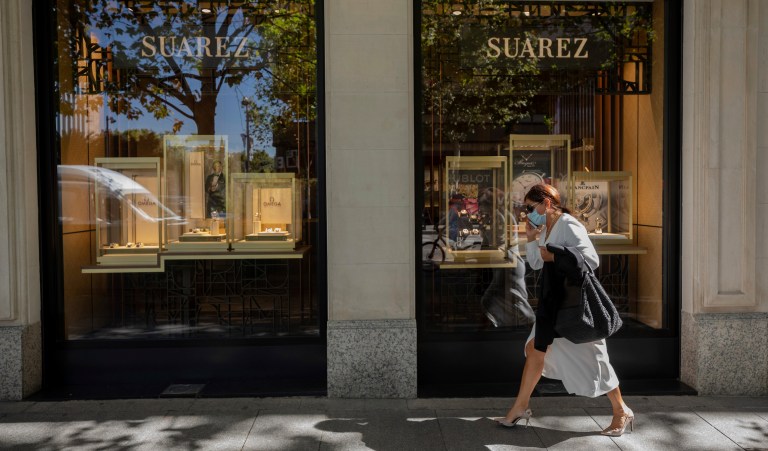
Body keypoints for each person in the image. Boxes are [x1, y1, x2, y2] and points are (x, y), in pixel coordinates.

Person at [496, 184, 633, 437]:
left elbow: (590, 260)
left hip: (574, 306)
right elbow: (537, 264)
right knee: (534, 349)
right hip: (554, 303)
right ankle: (520, 407)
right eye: (525, 208)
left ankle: (621, 410)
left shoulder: (568, 224)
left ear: (546, 203)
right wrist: (531, 239)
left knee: (596, 358)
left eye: (530, 207)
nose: (527, 213)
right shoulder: (547, 227)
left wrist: (556, 257)